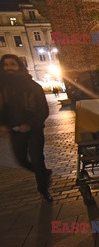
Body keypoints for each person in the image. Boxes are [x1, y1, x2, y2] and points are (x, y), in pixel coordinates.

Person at [0, 54, 53, 202]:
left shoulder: (33, 86)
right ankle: (44, 173)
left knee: (37, 159)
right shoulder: (2, 88)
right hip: (14, 131)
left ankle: (43, 190)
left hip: (34, 130)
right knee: (21, 160)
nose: (9, 68)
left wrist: (29, 124)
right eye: (5, 65)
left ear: (19, 66)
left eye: (12, 64)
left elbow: (43, 110)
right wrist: (2, 125)